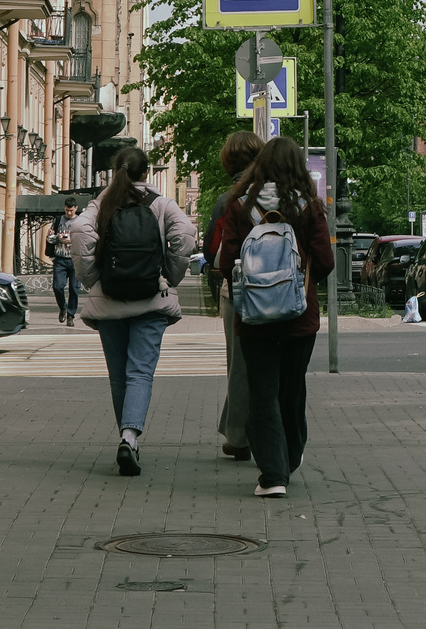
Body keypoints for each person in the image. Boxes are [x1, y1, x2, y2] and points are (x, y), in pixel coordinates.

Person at [211, 136, 335, 498]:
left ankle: (272, 476)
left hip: (253, 318)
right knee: (292, 390)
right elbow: (326, 261)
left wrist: (248, 298)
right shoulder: (309, 207)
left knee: (262, 392)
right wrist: (302, 284)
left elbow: (225, 260)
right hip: (299, 318)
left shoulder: (239, 206)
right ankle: (290, 456)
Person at [67, 147, 196, 477]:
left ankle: (126, 439)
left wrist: (93, 279)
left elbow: (80, 233)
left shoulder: (101, 205)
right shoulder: (160, 203)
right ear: (146, 173)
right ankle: (129, 438)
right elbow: (184, 234)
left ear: (115, 172)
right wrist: (169, 275)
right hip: (151, 301)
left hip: (109, 301)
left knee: (119, 375)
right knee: (140, 372)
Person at [206, 130, 264, 462]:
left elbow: (212, 251)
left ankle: (240, 437)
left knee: (239, 365)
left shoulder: (229, 199)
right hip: (283, 291)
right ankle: (246, 431)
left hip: (239, 292)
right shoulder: (281, 193)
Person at [47, 204, 81, 325]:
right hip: (60, 259)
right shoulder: (58, 220)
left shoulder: (81, 221)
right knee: (57, 287)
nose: (69, 213)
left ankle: (71, 316)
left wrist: (72, 240)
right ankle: (63, 307)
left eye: (71, 210)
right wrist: (58, 238)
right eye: (67, 210)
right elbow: (49, 238)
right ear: (64, 208)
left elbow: (85, 238)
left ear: (76, 208)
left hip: (75, 259)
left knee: (74, 289)